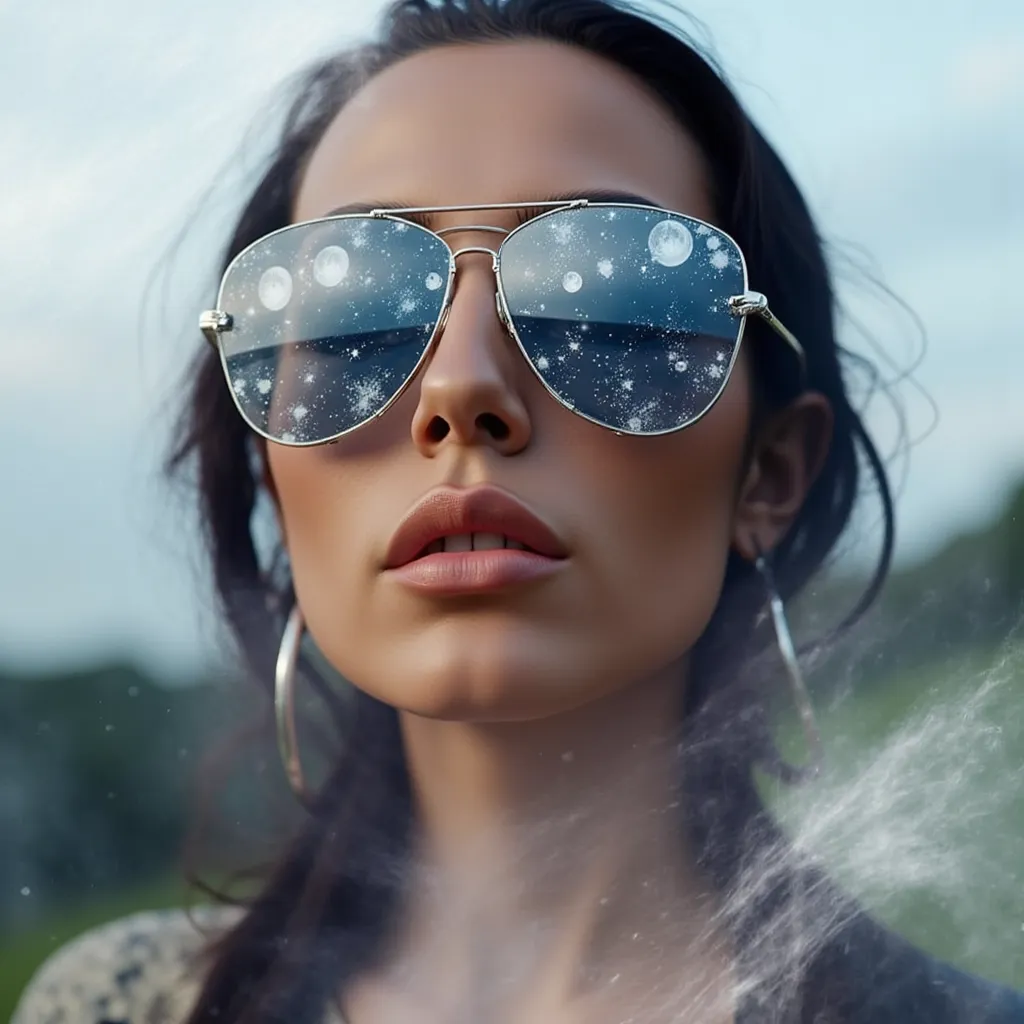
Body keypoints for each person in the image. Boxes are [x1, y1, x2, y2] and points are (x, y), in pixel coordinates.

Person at [13, 1, 1024, 1021]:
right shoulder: (107, 1005)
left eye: (612, 302)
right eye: (347, 314)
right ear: (275, 472)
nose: (460, 389)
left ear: (768, 472)